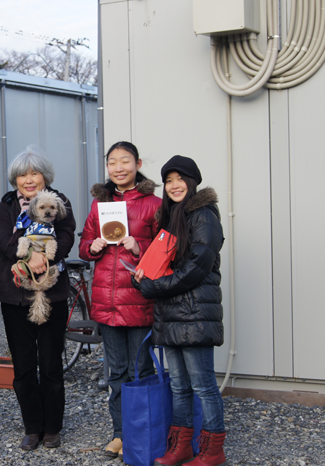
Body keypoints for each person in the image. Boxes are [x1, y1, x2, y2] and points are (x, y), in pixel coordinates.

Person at [132, 155, 226, 466]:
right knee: (179, 386)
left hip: (195, 314)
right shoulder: (170, 218)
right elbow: (160, 265)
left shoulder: (204, 216)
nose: (174, 185)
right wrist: (142, 277)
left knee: (203, 386)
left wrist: (153, 287)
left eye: (180, 179)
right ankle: (181, 447)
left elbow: (196, 269)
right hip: (171, 314)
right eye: (169, 180)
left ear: (192, 182)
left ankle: (213, 450)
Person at [78, 141, 161, 458]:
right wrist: (92, 246)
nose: (118, 168)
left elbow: (166, 249)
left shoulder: (154, 204)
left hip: (139, 300)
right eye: (112, 162)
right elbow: (84, 244)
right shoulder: (100, 204)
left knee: (142, 371)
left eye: (125, 161)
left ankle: (145, 435)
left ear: (138, 164)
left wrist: (139, 246)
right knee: (116, 373)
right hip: (107, 301)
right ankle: (120, 434)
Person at [0, 146, 76, 451]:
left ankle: (52, 427)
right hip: (14, 293)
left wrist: (46, 257)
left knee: (51, 362)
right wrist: (28, 255)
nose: (28, 179)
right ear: (15, 179)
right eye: (22, 175)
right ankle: (32, 426)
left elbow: (66, 236)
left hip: (51, 290)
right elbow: (1, 240)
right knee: (23, 364)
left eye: (34, 173)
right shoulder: (6, 205)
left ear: (45, 177)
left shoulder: (58, 202)